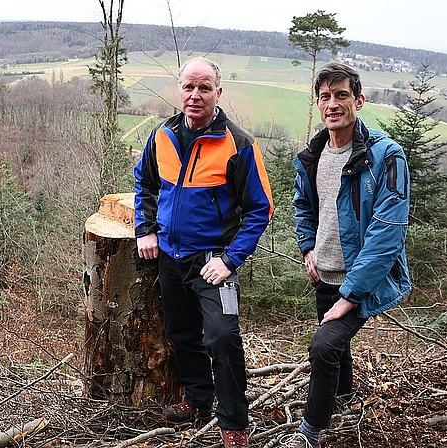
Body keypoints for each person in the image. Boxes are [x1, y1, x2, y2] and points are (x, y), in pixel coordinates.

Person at [134, 56, 273, 448]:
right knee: (182, 333)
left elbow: (261, 208)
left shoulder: (239, 143)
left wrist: (231, 260)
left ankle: (233, 421)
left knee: (223, 337)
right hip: (170, 257)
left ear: (218, 92)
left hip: (214, 260)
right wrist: (145, 229)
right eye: (188, 87)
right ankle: (197, 400)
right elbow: (144, 184)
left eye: (204, 87)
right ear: (179, 90)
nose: (195, 95)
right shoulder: (162, 135)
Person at [282, 62, 411, 448]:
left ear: (359, 100)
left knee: (322, 347)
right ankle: (345, 400)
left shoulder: (386, 157)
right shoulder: (314, 154)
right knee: (337, 348)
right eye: (325, 96)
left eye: (341, 95)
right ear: (317, 104)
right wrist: (308, 248)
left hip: (361, 278)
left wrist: (351, 295)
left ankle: (311, 431)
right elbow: (303, 205)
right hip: (324, 273)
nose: (333, 103)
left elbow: (386, 235)